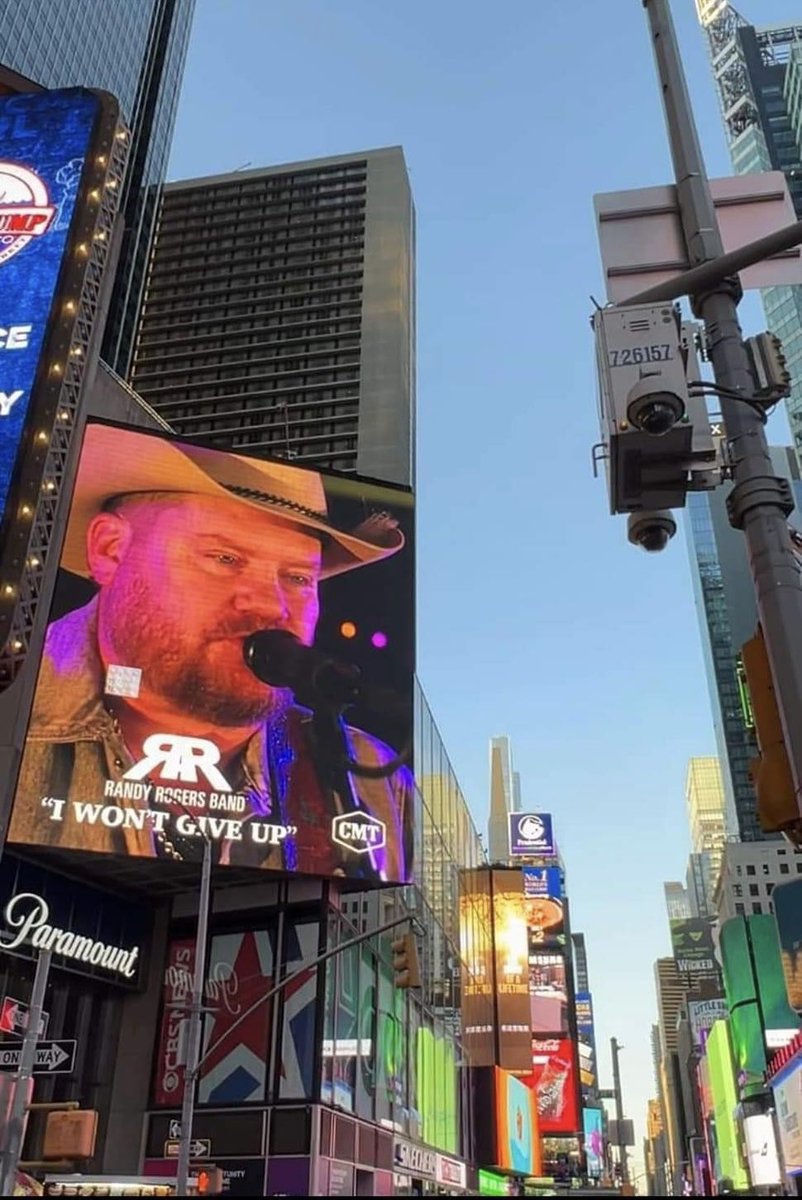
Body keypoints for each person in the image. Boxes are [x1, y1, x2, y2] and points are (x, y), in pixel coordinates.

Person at [8, 423, 413, 882]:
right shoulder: (12, 706)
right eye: (225, 559)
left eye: (298, 577)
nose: (269, 604)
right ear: (110, 550)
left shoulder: (376, 779)